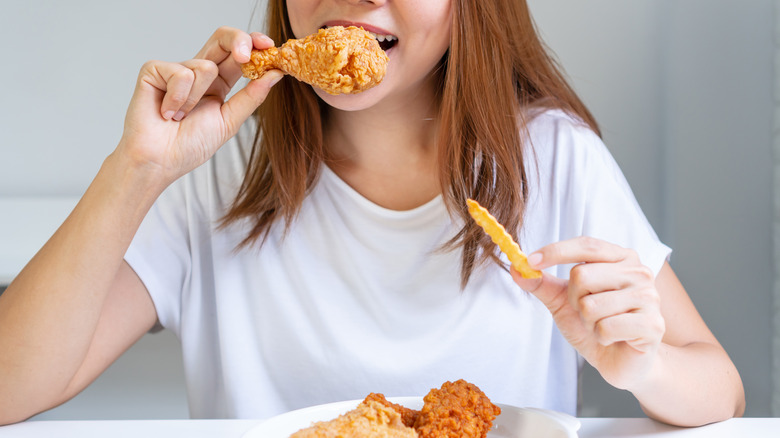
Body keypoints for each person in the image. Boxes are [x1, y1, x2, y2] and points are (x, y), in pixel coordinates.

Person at [0, 0, 744, 427]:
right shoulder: (223, 171)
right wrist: (136, 169)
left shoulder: (551, 159)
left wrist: (641, 366)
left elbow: (722, 390)